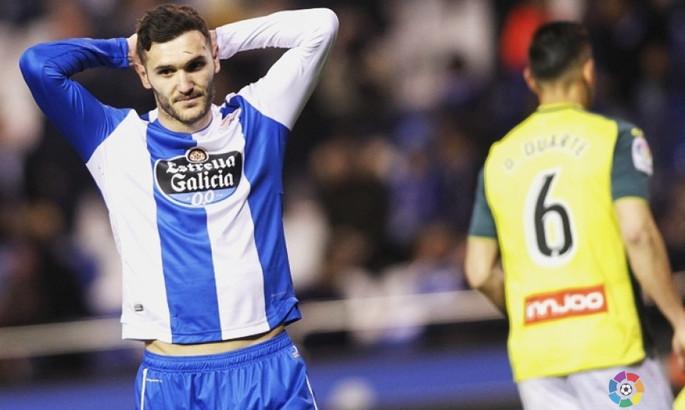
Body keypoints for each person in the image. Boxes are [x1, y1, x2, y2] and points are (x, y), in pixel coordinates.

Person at [20, 4, 338, 409]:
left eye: (194, 64)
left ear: (214, 60)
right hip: (175, 381)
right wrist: (122, 49)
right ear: (144, 74)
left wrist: (220, 38)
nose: (184, 83)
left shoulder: (258, 118)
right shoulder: (117, 143)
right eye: (166, 71)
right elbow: (38, 65)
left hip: (268, 369)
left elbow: (321, 26)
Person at [465, 21, 685, 409]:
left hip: (538, 363)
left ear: (530, 79)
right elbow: (637, 232)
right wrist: (677, 317)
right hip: (612, 352)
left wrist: (534, 313)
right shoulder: (614, 139)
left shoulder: (497, 159)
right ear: (588, 69)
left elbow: (479, 271)